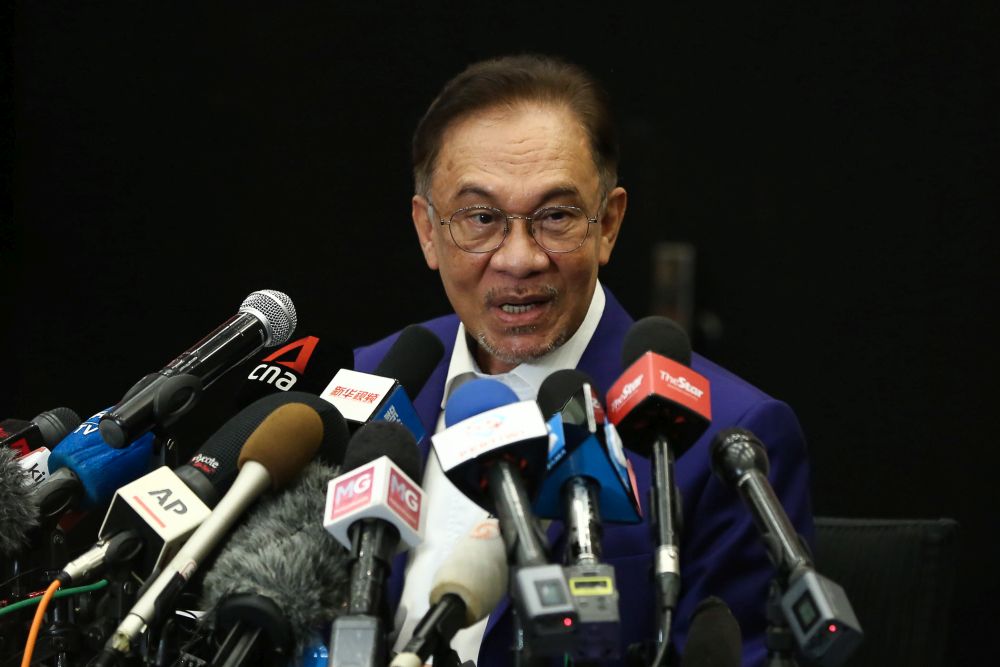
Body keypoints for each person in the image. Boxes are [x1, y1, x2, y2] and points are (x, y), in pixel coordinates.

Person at [354, 53, 813, 666]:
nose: (519, 259)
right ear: (428, 232)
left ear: (609, 225)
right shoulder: (378, 380)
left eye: (556, 217)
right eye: (481, 218)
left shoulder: (725, 435)